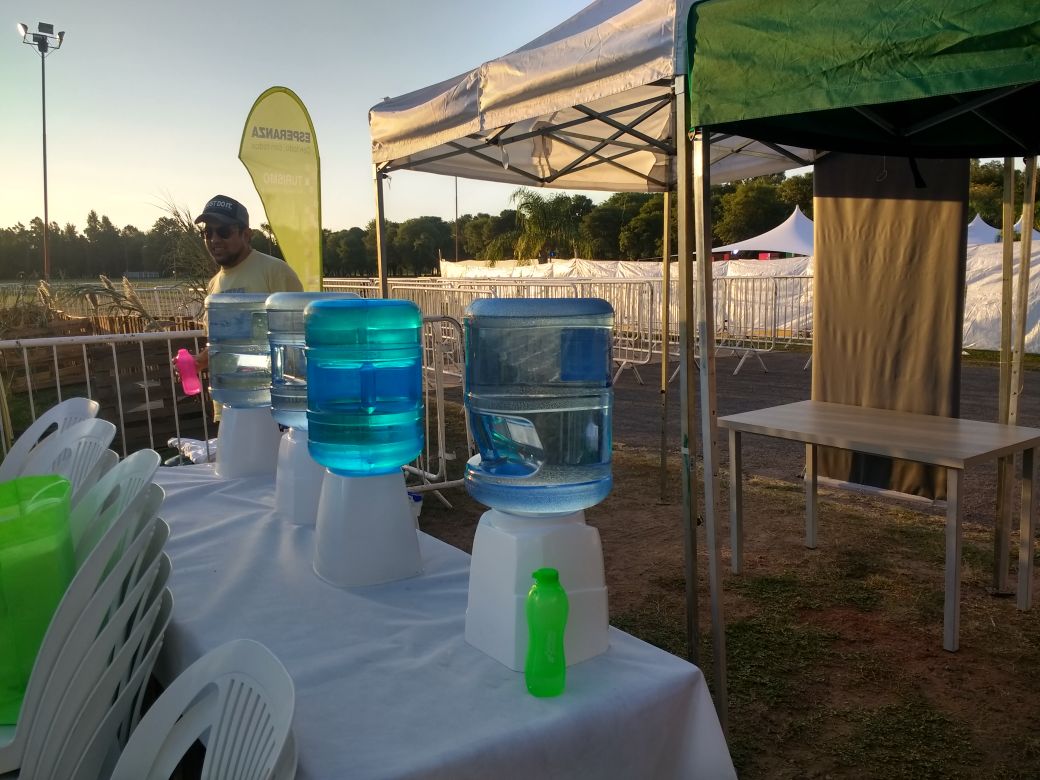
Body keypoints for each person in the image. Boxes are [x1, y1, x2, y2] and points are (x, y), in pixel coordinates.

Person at [190, 194, 303, 374]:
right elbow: (222, 346)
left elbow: (296, 345)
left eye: (224, 232)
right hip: (227, 390)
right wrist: (199, 361)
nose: (214, 239)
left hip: (268, 390)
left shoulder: (275, 271)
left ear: (247, 235)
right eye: (208, 232)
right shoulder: (213, 285)